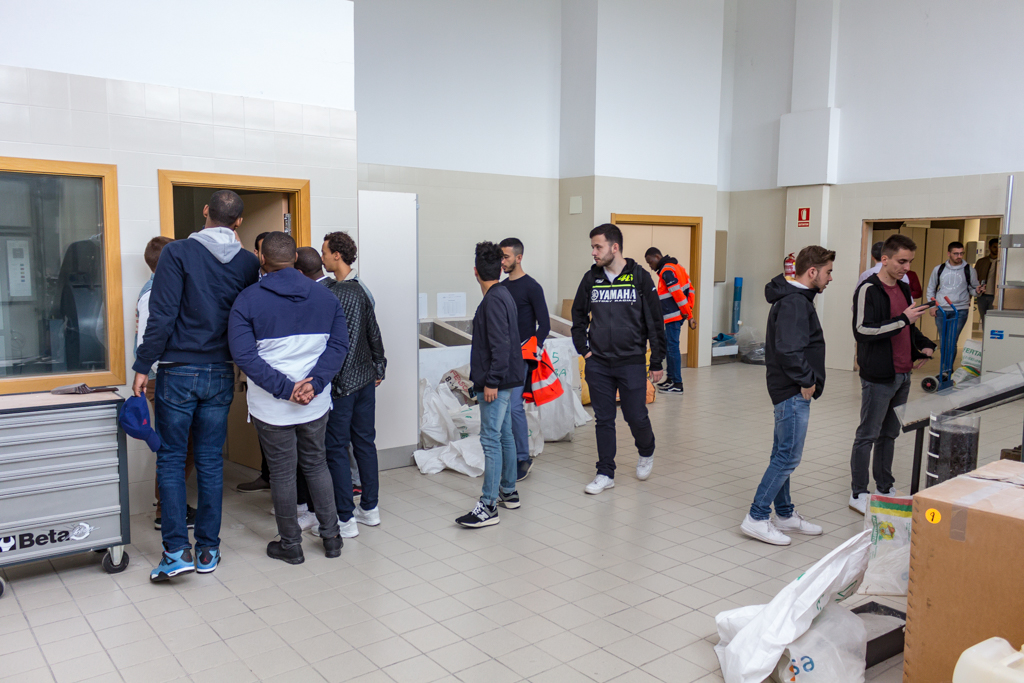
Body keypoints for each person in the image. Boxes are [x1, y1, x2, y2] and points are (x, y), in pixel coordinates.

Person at [134, 190, 260, 581]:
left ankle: (175, 552)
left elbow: (163, 314)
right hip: (221, 372)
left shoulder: (178, 253)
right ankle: (208, 550)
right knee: (208, 460)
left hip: (177, 370)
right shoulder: (246, 263)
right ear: (238, 222)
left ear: (206, 212)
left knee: (172, 459)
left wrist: (143, 364)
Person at [228, 232, 349, 564]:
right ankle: (332, 538)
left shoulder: (247, 300)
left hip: (273, 407)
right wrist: (314, 384)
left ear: (261, 260)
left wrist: (285, 389)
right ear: (295, 258)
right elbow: (339, 345)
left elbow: (244, 356)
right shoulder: (326, 298)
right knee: (317, 465)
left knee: (282, 473)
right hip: (316, 402)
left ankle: (291, 545)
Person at [741, 246, 834, 545]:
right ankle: (756, 517)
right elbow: (788, 349)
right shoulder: (795, 302)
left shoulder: (795, 298)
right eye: (828, 271)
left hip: (790, 386)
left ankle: (783, 513)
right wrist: (807, 379)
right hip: (793, 389)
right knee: (787, 456)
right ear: (812, 272)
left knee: (781, 452)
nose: (830, 277)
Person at [570, 224, 665, 495]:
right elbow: (578, 317)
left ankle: (646, 450)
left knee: (635, 415)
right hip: (598, 362)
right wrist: (584, 349)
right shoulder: (591, 278)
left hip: (632, 360)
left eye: (598, 246)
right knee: (604, 419)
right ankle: (605, 472)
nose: (593, 252)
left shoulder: (639, 278)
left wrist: (656, 361)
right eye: (592, 246)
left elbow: (654, 322)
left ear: (615, 247)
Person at [850, 234, 936, 514]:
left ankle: (884, 486)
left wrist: (923, 345)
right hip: (878, 375)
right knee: (868, 434)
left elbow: (908, 326)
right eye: (901, 261)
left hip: (903, 373)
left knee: (890, 433)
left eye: (909, 262)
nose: (906, 267)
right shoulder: (868, 289)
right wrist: (902, 320)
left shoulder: (904, 287)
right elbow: (862, 331)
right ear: (884, 259)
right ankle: (858, 493)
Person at [320, 231, 388, 536]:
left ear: (337, 255)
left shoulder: (330, 294)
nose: (322, 257)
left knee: (334, 447)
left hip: (341, 383)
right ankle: (370, 509)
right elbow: (374, 332)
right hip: (364, 381)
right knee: (365, 443)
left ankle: (345, 519)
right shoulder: (361, 291)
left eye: (324, 252)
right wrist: (379, 366)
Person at [456, 242, 523, 528]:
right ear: (501, 267)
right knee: (504, 435)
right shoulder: (503, 293)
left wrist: (491, 382)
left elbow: (500, 344)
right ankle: (508, 491)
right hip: (507, 379)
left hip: (497, 382)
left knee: (490, 439)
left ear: (475, 272)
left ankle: (488, 506)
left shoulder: (493, 300)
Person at [136, 236, 196, 532]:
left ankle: (171, 505)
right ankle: (165, 509)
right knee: (176, 449)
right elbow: (150, 338)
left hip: (165, 376)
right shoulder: (153, 293)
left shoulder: (163, 287)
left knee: (182, 447)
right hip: (161, 377)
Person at [497, 237, 550, 481]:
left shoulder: (532, 287)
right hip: (503, 356)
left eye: (506, 256)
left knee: (515, 406)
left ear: (519, 258)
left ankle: (522, 457)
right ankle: (509, 452)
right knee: (503, 406)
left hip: (522, 356)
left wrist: (532, 348)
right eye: (501, 256)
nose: (502, 261)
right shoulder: (502, 287)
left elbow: (545, 324)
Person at [237, 231, 273, 494]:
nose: (258, 256)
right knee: (261, 424)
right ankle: (266, 473)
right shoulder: (249, 280)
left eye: (261, 251)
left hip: (278, 373)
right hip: (255, 366)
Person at [644, 247, 695, 394]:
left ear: (657, 256)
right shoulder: (677, 267)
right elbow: (691, 289)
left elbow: (678, 294)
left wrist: (689, 314)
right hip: (677, 315)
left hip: (673, 316)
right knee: (668, 346)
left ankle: (677, 384)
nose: (650, 266)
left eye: (650, 262)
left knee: (672, 348)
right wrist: (688, 310)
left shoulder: (667, 271)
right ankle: (671, 379)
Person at [926, 240, 983, 345]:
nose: (959, 256)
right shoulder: (939, 269)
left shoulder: (969, 270)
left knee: (951, 340)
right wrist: (932, 306)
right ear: (949, 254)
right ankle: (944, 362)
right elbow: (931, 288)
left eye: (961, 253)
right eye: (956, 253)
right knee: (943, 340)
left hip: (960, 309)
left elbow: (973, 289)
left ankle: (949, 362)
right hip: (941, 309)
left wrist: (977, 291)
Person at [974, 238, 999, 322]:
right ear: (990, 247)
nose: (997, 249)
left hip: (996, 296)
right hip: (982, 296)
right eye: (994, 247)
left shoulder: (1002, 262)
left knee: (993, 321)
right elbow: (974, 278)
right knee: (984, 319)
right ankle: (985, 335)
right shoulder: (981, 262)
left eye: (998, 247)